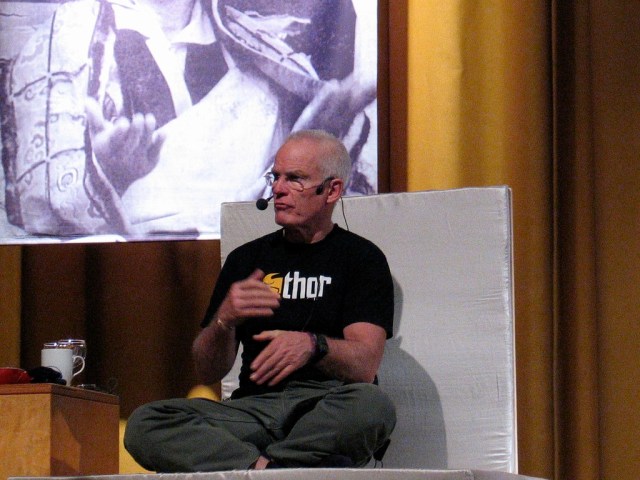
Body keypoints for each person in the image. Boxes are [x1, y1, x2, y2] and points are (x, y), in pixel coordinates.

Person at [124, 129, 396, 471]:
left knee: (373, 406)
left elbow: (365, 366)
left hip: (323, 407)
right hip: (252, 412)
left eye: (295, 179)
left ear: (332, 190)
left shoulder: (362, 258)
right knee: (145, 423)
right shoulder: (246, 260)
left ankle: (264, 467)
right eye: (275, 177)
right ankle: (271, 469)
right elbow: (207, 370)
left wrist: (313, 346)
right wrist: (224, 320)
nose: (278, 189)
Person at [1, 0, 377, 240]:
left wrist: (311, 150)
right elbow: (42, 210)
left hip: (255, 276)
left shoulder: (258, 51)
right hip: (133, 278)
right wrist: (106, 172)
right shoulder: (68, 40)